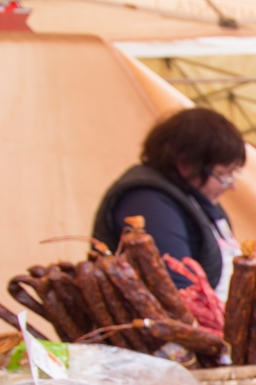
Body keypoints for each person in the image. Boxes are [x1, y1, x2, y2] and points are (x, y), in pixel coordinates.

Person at [93, 108, 246, 298]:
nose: (233, 186)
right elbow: (177, 290)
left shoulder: (201, 199)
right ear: (185, 165)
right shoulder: (147, 201)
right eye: (223, 175)